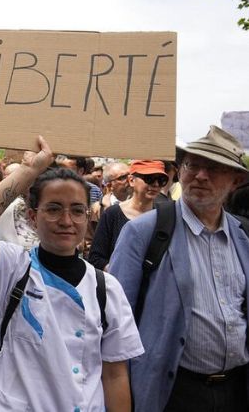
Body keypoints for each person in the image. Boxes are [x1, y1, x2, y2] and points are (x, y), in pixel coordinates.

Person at [0, 138, 143, 411]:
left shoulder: (107, 289)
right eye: (53, 209)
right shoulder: (13, 268)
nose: (66, 221)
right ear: (33, 217)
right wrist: (29, 171)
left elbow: (114, 374)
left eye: (77, 210)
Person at [110, 126, 249, 412]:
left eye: (213, 168)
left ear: (236, 181)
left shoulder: (243, 235)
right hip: (172, 392)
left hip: (236, 389)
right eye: (192, 165)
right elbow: (115, 322)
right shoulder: (144, 231)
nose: (200, 175)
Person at [88, 160, 168, 270]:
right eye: (149, 179)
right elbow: (95, 257)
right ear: (131, 180)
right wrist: (120, 272)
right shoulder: (112, 214)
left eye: (161, 180)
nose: (156, 184)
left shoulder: (165, 216)